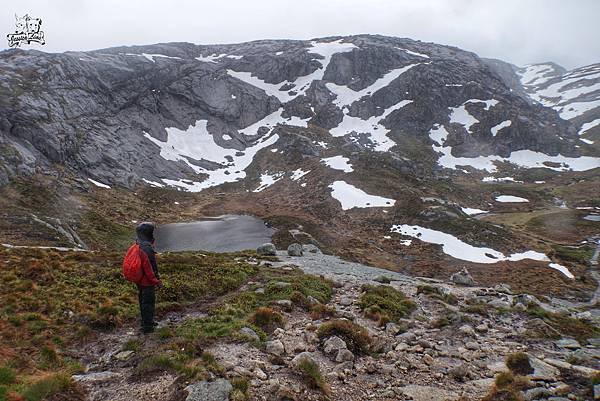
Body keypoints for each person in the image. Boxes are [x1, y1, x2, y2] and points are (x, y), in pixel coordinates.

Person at [135, 222, 162, 333]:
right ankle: (148, 327)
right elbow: (151, 268)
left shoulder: (139, 244)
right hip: (147, 282)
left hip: (140, 280)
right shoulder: (147, 248)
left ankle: (146, 321)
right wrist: (157, 281)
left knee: (143, 301)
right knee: (148, 303)